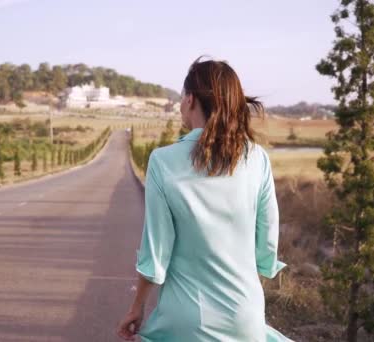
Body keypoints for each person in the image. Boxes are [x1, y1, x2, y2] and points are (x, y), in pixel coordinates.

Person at [116, 57, 293, 341]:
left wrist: (137, 307)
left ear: (190, 100)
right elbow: (267, 245)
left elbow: (156, 251)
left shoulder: (163, 161)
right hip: (244, 315)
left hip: (185, 319)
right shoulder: (257, 158)